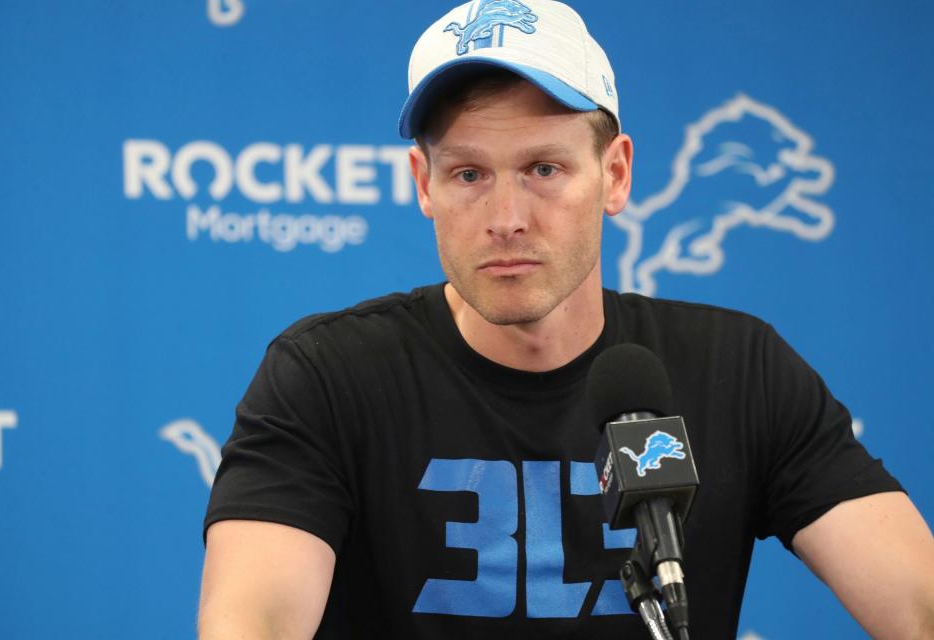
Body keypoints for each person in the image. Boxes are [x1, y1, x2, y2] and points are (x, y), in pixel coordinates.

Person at [197, 1, 934, 638]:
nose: (507, 219)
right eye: (469, 175)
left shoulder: (738, 369)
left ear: (614, 175)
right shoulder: (329, 376)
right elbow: (252, 621)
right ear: (424, 185)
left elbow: (918, 607)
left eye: (544, 170)